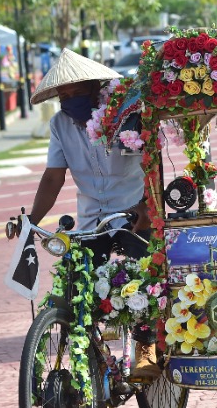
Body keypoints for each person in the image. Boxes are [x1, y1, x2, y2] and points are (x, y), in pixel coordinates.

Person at [25, 48, 151, 262]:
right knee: (76, 282)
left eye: (77, 93)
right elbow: (53, 177)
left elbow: (151, 165)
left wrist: (149, 206)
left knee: (149, 279)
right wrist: (31, 221)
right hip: (90, 219)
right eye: (64, 96)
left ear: (94, 88)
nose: (71, 101)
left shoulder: (125, 115)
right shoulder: (59, 124)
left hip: (133, 212)